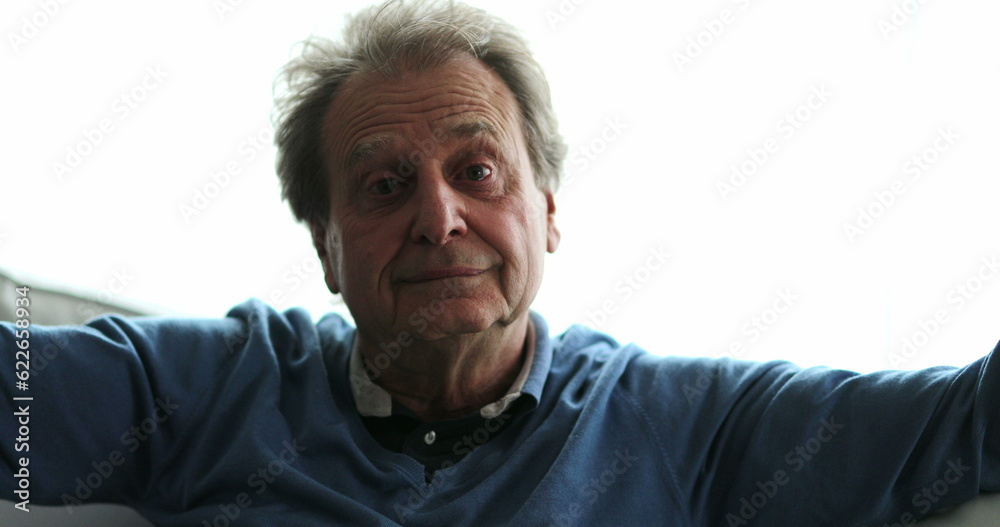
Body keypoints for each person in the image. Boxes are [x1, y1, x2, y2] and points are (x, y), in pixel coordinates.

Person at [2, 0, 998, 525]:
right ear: (326, 245)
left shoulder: (683, 423)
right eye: (385, 184)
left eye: (477, 170)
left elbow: (964, 423)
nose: (439, 218)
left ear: (547, 210)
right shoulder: (212, 387)